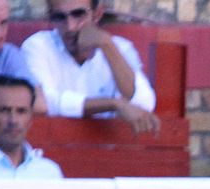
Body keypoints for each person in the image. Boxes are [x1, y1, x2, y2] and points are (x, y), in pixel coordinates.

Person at [21, 0, 159, 133]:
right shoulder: (38, 45)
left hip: (109, 147)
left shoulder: (120, 47)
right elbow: (44, 101)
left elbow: (142, 103)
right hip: (53, 146)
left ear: (97, 14)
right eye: (59, 17)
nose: (70, 26)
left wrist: (107, 46)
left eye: (78, 14)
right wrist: (113, 104)